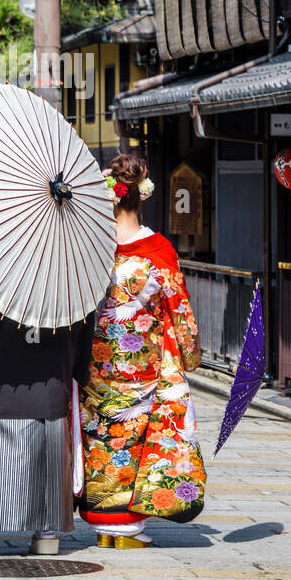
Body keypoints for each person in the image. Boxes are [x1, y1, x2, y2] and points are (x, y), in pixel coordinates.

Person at [78, 154, 204, 549]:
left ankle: (105, 527)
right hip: (144, 367)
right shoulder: (158, 249)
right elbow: (179, 309)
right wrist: (188, 353)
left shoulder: (89, 249)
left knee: (103, 442)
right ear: (141, 197)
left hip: (93, 364)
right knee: (137, 442)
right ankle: (127, 529)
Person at [0, 259, 95, 558]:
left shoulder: (0, 252)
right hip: (50, 376)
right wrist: (75, 364)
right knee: (47, 452)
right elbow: (85, 315)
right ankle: (47, 535)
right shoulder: (70, 260)